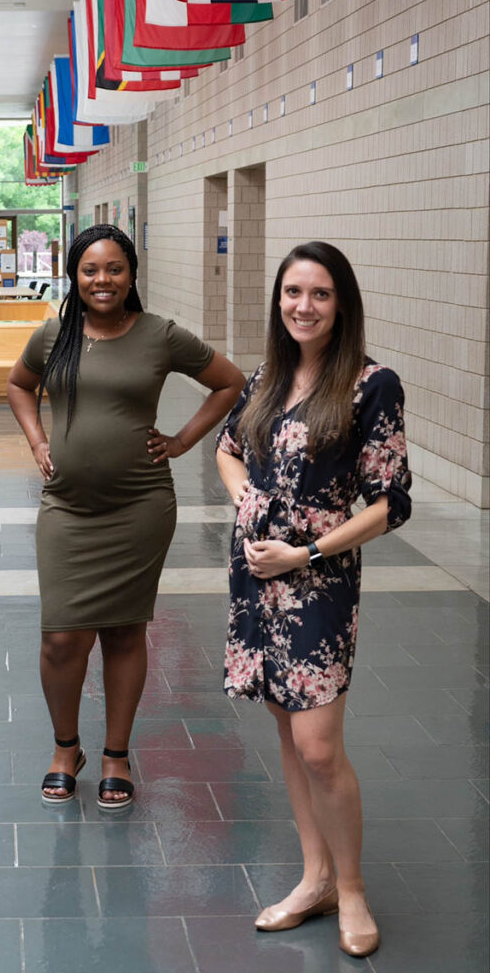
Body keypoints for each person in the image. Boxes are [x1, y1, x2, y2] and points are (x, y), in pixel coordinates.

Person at [215, 241, 411, 959]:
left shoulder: (371, 385)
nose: (303, 306)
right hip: (256, 576)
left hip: (319, 580)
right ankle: (314, 877)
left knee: (320, 745)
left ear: (342, 304)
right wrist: (246, 504)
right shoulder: (269, 376)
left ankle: (351, 887)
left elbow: (391, 503)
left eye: (320, 294)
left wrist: (307, 551)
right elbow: (228, 448)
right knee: (288, 736)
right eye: (292, 292)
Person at [6, 224, 244, 810]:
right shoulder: (56, 333)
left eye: (114, 269)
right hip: (67, 507)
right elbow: (18, 384)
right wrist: (38, 441)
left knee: (123, 631)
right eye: (90, 270)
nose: (102, 280)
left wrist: (185, 440)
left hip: (140, 507)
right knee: (61, 636)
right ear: (75, 276)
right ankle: (67, 748)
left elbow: (230, 382)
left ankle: (116, 755)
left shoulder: (160, 335)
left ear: (132, 274)